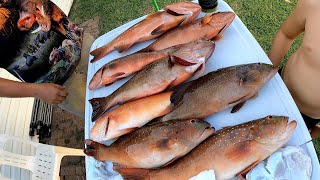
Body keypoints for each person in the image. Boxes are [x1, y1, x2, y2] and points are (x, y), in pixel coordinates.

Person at [269, 0, 320, 138]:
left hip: (308, 117)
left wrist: (315, 132)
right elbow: (286, 34)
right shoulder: (314, 4)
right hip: (276, 87)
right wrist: (267, 76)